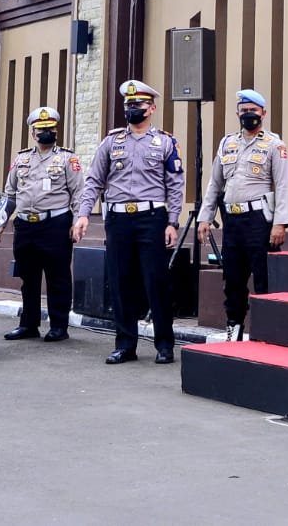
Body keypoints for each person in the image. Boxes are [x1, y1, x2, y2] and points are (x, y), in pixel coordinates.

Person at [74, 79, 185, 365]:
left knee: (155, 282)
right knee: (121, 282)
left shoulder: (165, 142)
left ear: (152, 108)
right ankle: (125, 345)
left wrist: (173, 222)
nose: (133, 109)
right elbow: (94, 180)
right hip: (118, 219)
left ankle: (164, 345)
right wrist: (83, 214)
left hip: (152, 218)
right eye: (129, 104)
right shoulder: (111, 142)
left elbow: (175, 185)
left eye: (138, 104)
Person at [197, 89, 288, 342]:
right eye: (244, 110)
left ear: (263, 113)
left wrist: (280, 223)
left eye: (253, 111)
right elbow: (215, 183)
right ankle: (234, 331)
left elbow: (282, 185)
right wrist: (205, 218)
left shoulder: (274, 145)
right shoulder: (227, 143)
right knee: (233, 280)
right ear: (237, 113)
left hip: (260, 221)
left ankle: (266, 335)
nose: (248, 114)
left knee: (264, 280)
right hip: (232, 221)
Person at [1, 106, 82, 343]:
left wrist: (77, 221)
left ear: (56, 130)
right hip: (26, 225)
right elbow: (10, 194)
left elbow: (79, 193)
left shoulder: (67, 159)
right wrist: (1, 223)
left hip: (55, 224)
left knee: (58, 277)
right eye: (41, 129)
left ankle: (59, 326)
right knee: (28, 277)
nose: (46, 132)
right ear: (32, 132)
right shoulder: (21, 159)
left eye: (50, 128)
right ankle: (28, 324)